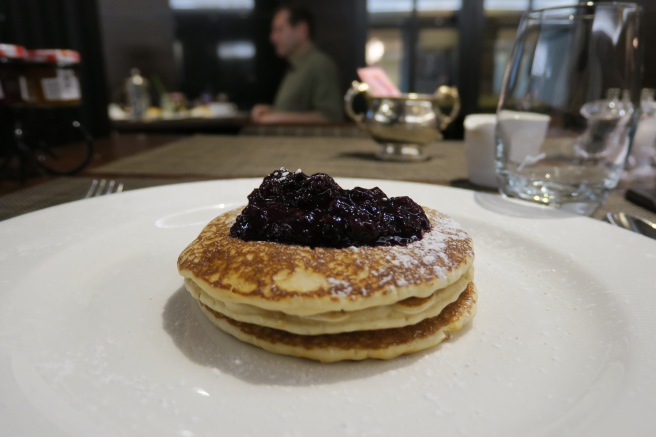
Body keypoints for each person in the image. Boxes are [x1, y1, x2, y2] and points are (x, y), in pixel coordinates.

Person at [251, 5, 343, 124]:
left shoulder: (320, 65)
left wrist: (275, 119)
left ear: (301, 30)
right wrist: (271, 111)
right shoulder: (295, 65)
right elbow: (297, 109)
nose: (272, 38)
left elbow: (330, 117)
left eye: (279, 30)